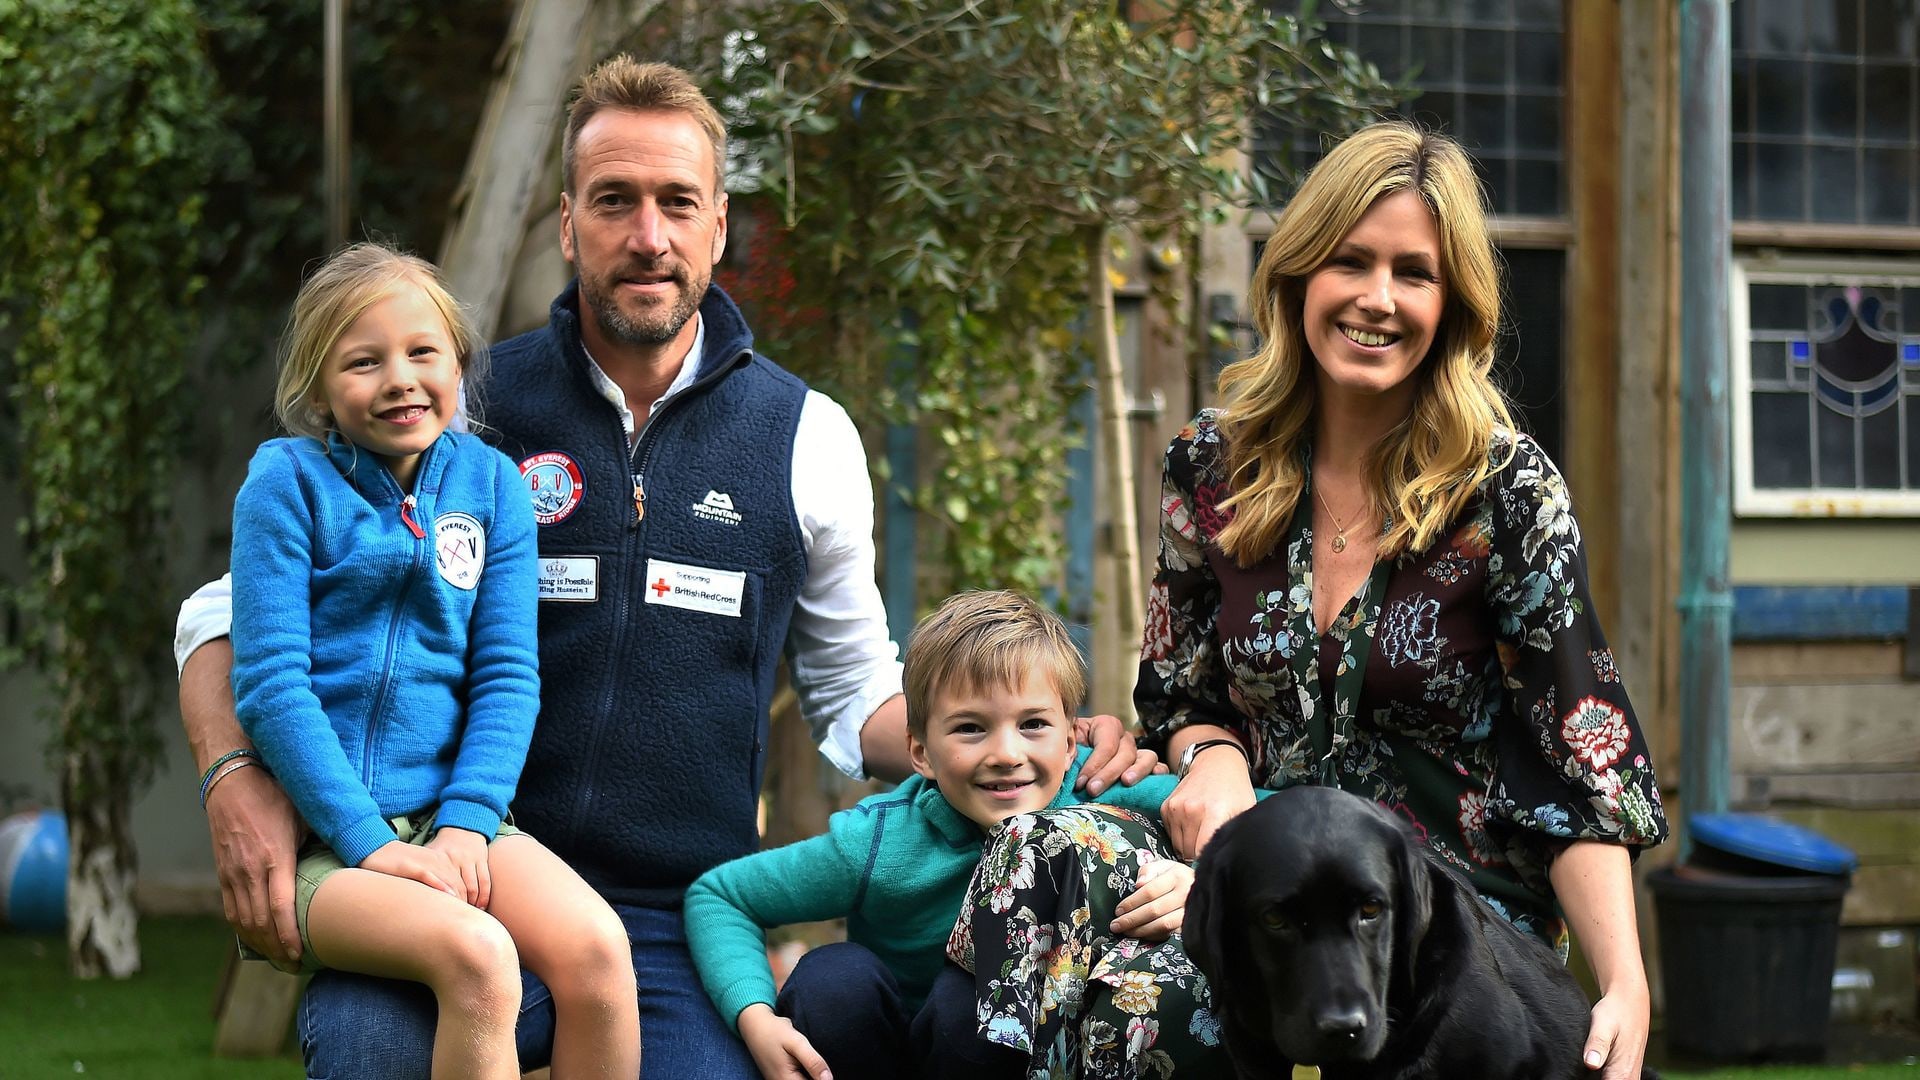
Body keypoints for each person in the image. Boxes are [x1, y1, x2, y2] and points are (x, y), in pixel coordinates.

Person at [176, 57, 1150, 1079]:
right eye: (615, 203)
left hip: (674, 923)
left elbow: (856, 690)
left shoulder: (805, 435)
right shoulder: (467, 405)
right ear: (567, 225)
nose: (649, 236)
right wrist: (230, 771)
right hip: (463, 873)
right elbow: (229, 610)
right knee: (370, 1051)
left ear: (718, 226)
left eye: (676, 203)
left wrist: (1028, 743)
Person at [1134, 121, 1668, 1080]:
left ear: (1450, 300)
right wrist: (1209, 754)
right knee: (1093, 954)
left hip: (1438, 922)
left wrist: (1623, 982)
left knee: (1178, 1009)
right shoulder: (1211, 465)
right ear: (1300, 273)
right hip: (1261, 902)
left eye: (1413, 273)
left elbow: (1582, 766)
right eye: (1351, 261)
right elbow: (1179, 692)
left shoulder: (1506, 494)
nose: (1377, 300)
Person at [224, 242, 638, 1079]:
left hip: (453, 818)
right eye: (363, 362)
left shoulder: (493, 486)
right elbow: (272, 688)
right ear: (316, 386)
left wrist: (467, 822)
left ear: (458, 359)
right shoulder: (285, 483)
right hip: (326, 847)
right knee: (481, 960)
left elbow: (508, 676)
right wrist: (369, 842)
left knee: (598, 951)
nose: (399, 380)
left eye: (422, 352)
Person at [685, 591, 1233, 1080]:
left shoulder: (1107, 789)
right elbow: (721, 896)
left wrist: (1203, 879)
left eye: (1033, 725)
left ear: (1071, 742)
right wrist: (754, 1016)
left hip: (1023, 1051)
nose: (1006, 754)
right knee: (833, 980)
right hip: (884, 1053)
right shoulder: (879, 843)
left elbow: (1280, 828)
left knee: (968, 1003)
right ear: (920, 752)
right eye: (970, 728)